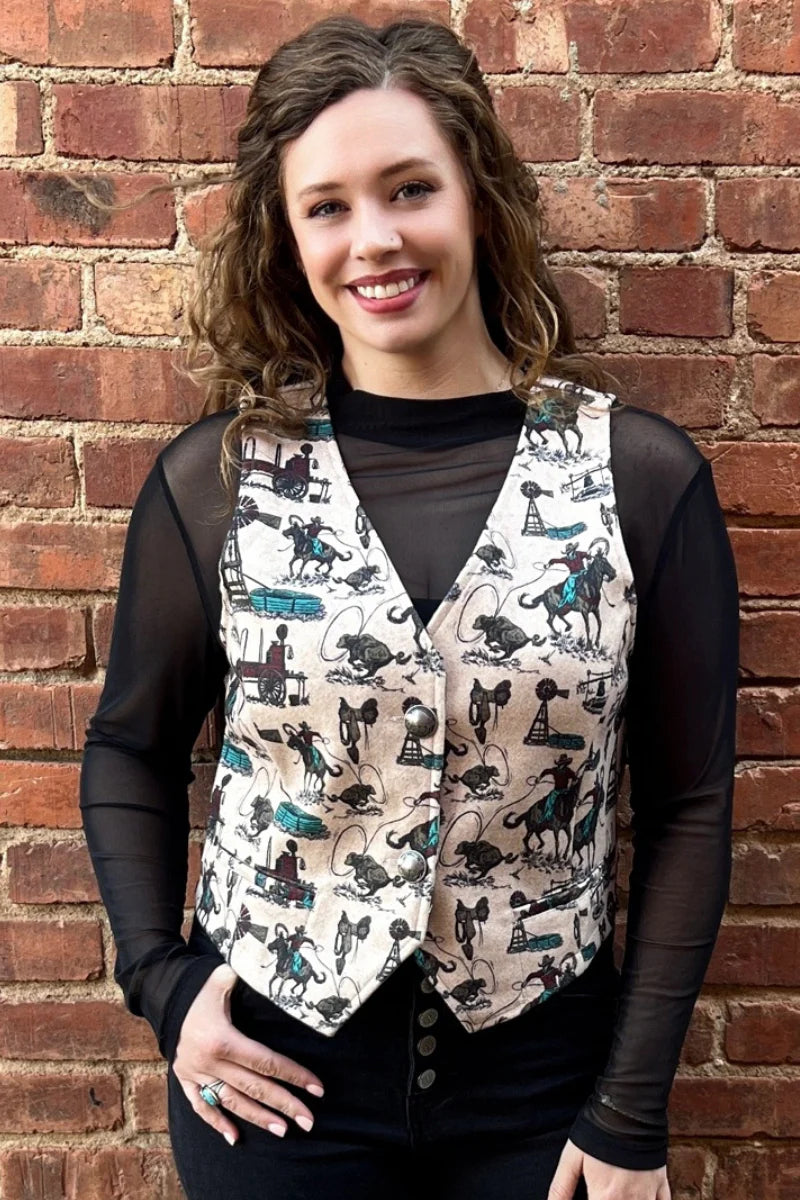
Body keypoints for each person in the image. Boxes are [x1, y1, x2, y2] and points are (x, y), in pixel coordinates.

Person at [79, 14, 739, 1200]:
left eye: (408, 189)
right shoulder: (217, 486)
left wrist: (631, 1113)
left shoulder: (637, 479)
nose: (373, 239)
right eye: (326, 206)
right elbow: (130, 746)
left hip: (547, 1093)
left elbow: (687, 804)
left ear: (476, 197)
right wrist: (163, 987)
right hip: (271, 1091)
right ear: (287, 239)